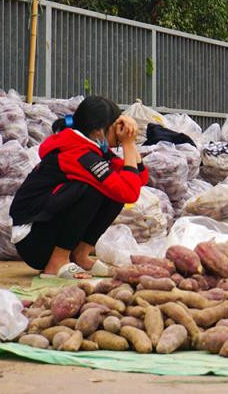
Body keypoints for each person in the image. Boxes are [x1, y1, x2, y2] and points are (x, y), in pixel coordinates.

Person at [10, 96, 148, 279]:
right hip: (33, 239)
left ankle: (80, 255)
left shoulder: (91, 147)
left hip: (46, 230)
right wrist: (128, 144)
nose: (119, 135)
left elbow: (140, 179)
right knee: (91, 189)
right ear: (99, 131)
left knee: (114, 193)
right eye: (116, 129)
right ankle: (56, 263)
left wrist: (130, 144)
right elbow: (130, 192)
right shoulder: (78, 152)